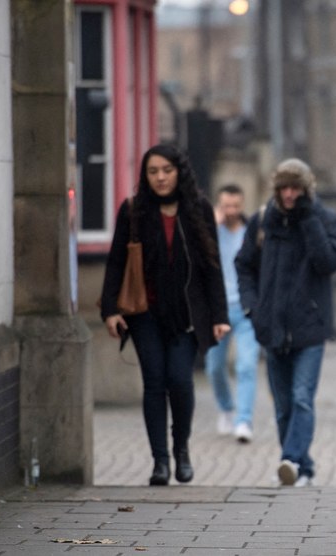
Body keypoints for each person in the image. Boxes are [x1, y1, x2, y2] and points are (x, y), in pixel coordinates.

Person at [100, 144, 230, 486]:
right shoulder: (133, 211)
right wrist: (110, 309)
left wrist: (219, 314)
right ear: (145, 175)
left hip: (188, 316)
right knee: (154, 383)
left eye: (167, 170)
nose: (160, 177)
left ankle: (181, 450)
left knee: (181, 381)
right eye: (153, 171)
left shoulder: (199, 208)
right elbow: (115, 262)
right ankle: (160, 462)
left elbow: (212, 265)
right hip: (145, 315)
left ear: (179, 172)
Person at [235, 158, 336, 487]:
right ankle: (303, 467)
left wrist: (308, 220)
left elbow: (328, 262)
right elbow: (243, 266)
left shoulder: (325, 219)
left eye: (295, 188)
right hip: (271, 327)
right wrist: (252, 308)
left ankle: (290, 460)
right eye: (283, 187)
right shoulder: (262, 221)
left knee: (301, 398)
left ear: (306, 189)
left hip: (309, 327)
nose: (288, 194)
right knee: (283, 406)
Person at [205, 184, 261, 442]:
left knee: (246, 365)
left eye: (236, 206)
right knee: (214, 367)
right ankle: (227, 408)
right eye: (226, 206)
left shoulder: (252, 233)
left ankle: (244, 421)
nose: (231, 211)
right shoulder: (210, 232)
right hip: (217, 310)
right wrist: (210, 226)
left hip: (246, 309)